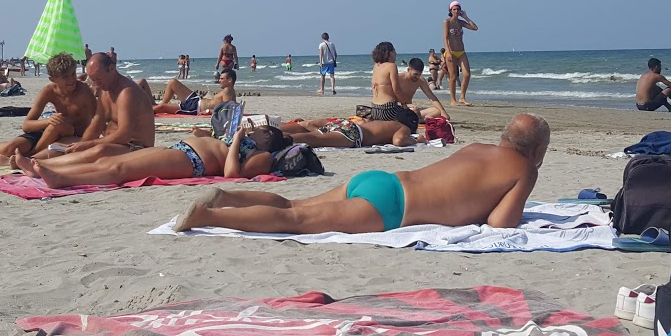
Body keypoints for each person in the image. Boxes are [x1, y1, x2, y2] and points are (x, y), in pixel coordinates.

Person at [172, 113, 550, 234]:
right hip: (392, 207)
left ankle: (228, 196)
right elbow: (502, 224)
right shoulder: (523, 169)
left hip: (382, 180)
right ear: (535, 151)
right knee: (297, 220)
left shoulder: (477, 149)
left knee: (293, 203)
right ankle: (209, 215)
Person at [19, 120, 286, 188]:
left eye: (261, 128)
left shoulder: (263, 156)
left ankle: (63, 179)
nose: (256, 128)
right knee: (107, 161)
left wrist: (238, 138)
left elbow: (231, 173)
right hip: (182, 149)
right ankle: (49, 171)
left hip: (192, 161)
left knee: (119, 171)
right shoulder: (246, 142)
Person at [0, 53, 97, 160]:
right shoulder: (49, 91)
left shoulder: (84, 92)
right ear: (53, 79)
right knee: (6, 149)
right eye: (65, 77)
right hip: (49, 133)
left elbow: (99, 119)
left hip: (75, 136)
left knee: (59, 126)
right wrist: (48, 121)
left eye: (73, 74)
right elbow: (26, 126)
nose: (72, 80)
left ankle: (28, 157)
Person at [51, 52, 156, 157]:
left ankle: (48, 166)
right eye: (93, 80)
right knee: (61, 144)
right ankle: (39, 161)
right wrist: (82, 144)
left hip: (137, 148)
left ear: (111, 69)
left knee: (100, 150)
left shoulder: (126, 93)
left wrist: (88, 145)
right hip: (115, 146)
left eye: (99, 79)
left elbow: (124, 135)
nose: (96, 84)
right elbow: (96, 125)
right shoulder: (105, 91)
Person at [362, 42, 422, 135]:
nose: (396, 53)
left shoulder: (376, 66)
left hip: (375, 110)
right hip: (388, 110)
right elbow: (396, 89)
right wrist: (404, 105)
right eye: (394, 51)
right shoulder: (391, 66)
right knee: (412, 117)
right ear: (389, 53)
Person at [140, 68, 236, 115]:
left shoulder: (227, 91)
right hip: (196, 100)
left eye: (222, 79)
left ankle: (149, 110)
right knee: (173, 82)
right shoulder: (229, 91)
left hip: (194, 107)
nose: (219, 80)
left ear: (230, 80)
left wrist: (208, 111)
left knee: (161, 107)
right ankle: (159, 106)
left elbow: (226, 111)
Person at [279, 116, 414, 149]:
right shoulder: (403, 128)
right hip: (353, 133)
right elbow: (399, 141)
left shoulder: (387, 122)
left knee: (313, 132)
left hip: (346, 123)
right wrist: (416, 140)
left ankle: (276, 132)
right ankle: (280, 141)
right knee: (316, 139)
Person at [443, 2, 479, 106]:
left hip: (461, 51)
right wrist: (448, 52)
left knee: (467, 74)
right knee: (453, 76)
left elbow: (475, 28)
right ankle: (453, 99)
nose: (456, 11)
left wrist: (466, 17)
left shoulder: (461, 22)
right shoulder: (447, 22)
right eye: (454, 9)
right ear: (450, 11)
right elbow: (445, 38)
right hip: (451, 52)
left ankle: (462, 97)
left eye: (458, 9)